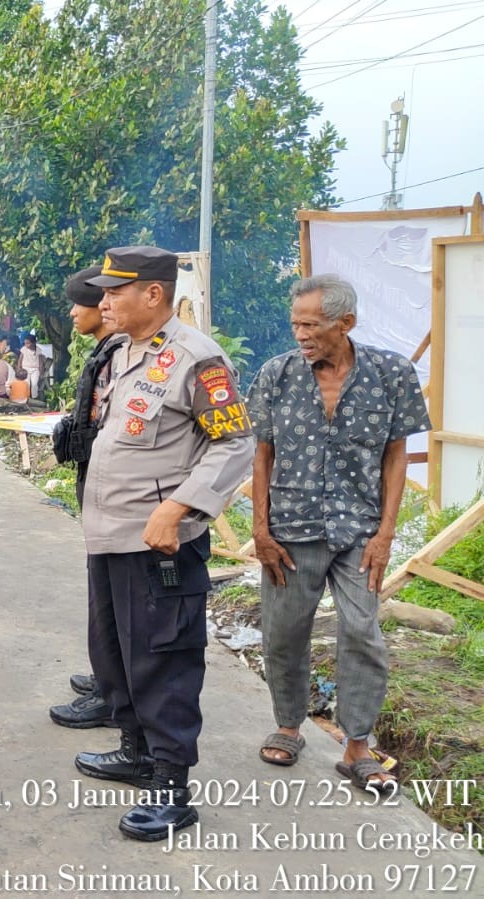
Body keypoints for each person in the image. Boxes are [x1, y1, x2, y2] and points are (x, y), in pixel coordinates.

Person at [75, 246, 255, 841]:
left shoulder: (197, 358)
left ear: (153, 294)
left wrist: (178, 508)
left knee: (164, 661)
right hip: (110, 534)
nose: (102, 301)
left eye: (113, 291)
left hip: (159, 543)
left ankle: (172, 790)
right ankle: (134, 750)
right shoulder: (124, 352)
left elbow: (234, 444)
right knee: (115, 652)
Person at [249, 274, 429, 794]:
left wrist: (386, 534)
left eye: (311, 325)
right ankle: (288, 725)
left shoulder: (391, 373)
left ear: (345, 324)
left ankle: (357, 746)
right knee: (284, 633)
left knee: (361, 631)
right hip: (290, 529)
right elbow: (262, 454)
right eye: (295, 324)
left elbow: (397, 456)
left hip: (359, 532)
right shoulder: (276, 374)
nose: (300, 335)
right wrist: (260, 529)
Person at [48, 266, 126, 730]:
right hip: (94, 477)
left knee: (112, 594)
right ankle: (107, 678)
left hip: (114, 489)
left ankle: (113, 694)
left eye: (81, 304)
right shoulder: (107, 350)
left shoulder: (120, 354)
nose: (74, 313)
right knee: (103, 588)